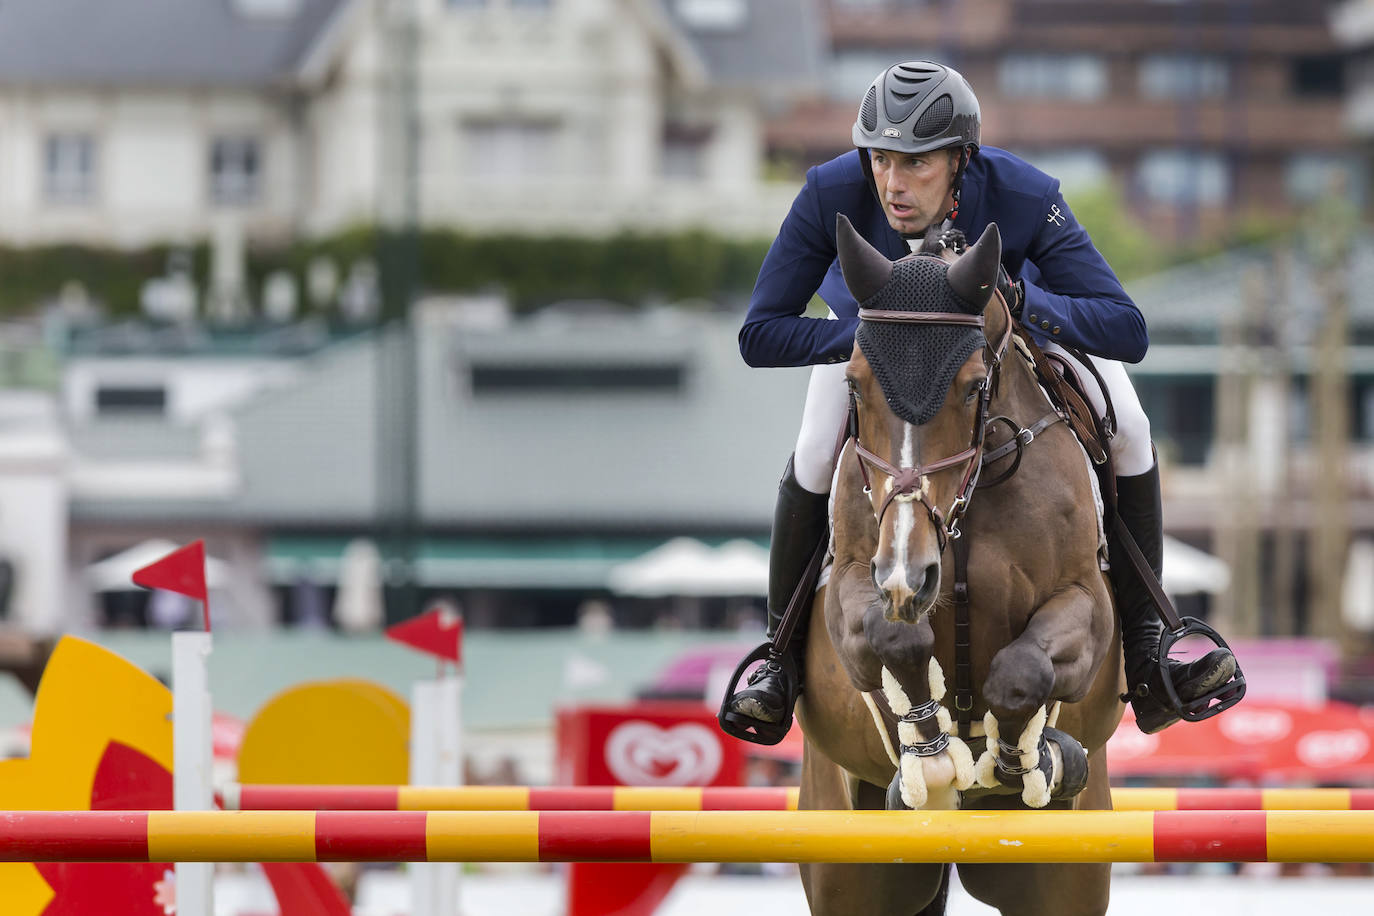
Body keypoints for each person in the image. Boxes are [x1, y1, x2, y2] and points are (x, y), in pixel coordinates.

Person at [723, 60, 1238, 742]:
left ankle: (1147, 650)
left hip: (1000, 348)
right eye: (880, 159)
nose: (892, 184)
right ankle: (780, 660)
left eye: (916, 164)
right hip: (876, 357)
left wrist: (1022, 300)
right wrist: (886, 330)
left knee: (1133, 428)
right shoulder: (829, 192)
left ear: (962, 160)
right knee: (817, 450)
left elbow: (1125, 327)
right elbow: (759, 334)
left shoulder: (1023, 193)